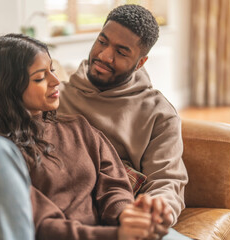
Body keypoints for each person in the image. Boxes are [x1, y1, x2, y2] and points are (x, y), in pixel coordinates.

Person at [0, 34, 166, 240]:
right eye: (40, 77)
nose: (56, 81)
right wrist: (115, 235)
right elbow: (40, 225)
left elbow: (114, 185)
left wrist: (128, 216)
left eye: (52, 71)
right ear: (11, 87)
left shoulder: (78, 127)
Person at [58, 4, 189, 238]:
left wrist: (155, 212)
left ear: (140, 63)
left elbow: (166, 181)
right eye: (102, 41)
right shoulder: (57, 94)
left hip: (123, 219)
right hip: (66, 214)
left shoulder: (159, 114)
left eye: (121, 52)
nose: (104, 56)